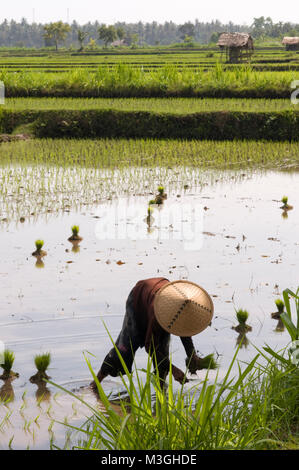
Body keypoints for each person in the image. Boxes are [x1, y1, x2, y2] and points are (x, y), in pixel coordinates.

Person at [91, 277, 214, 390]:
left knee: (162, 355)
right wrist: (173, 369)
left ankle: (161, 395)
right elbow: (150, 346)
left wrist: (191, 355)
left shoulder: (184, 306)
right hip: (137, 302)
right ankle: (95, 383)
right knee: (123, 351)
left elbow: (183, 329)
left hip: (153, 299)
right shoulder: (159, 315)